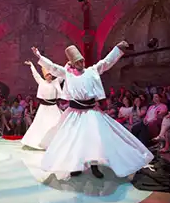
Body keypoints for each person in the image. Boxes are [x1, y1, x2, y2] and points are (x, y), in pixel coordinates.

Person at [31, 42, 153, 179]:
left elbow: (106, 62)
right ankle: (75, 166)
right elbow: (52, 67)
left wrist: (118, 48)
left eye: (82, 60)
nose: (81, 63)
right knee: (74, 140)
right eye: (78, 61)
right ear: (72, 62)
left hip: (90, 112)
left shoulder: (92, 71)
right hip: (74, 113)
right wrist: (39, 56)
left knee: (93, 139)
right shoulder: (67, 74)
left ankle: (94, 166)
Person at [21, 61, 63, 150]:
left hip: (53, 107)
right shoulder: (41, 82)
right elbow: (35, 74)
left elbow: (62, 75)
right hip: (44, 108)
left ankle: (56, 142)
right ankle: (40, 142)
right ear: (45, 76)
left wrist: (67, 65)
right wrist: (32, 65)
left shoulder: (55, 82)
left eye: (50, 75)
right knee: (41, 124)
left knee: (56, 123)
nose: (50, 76)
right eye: (48, 75)